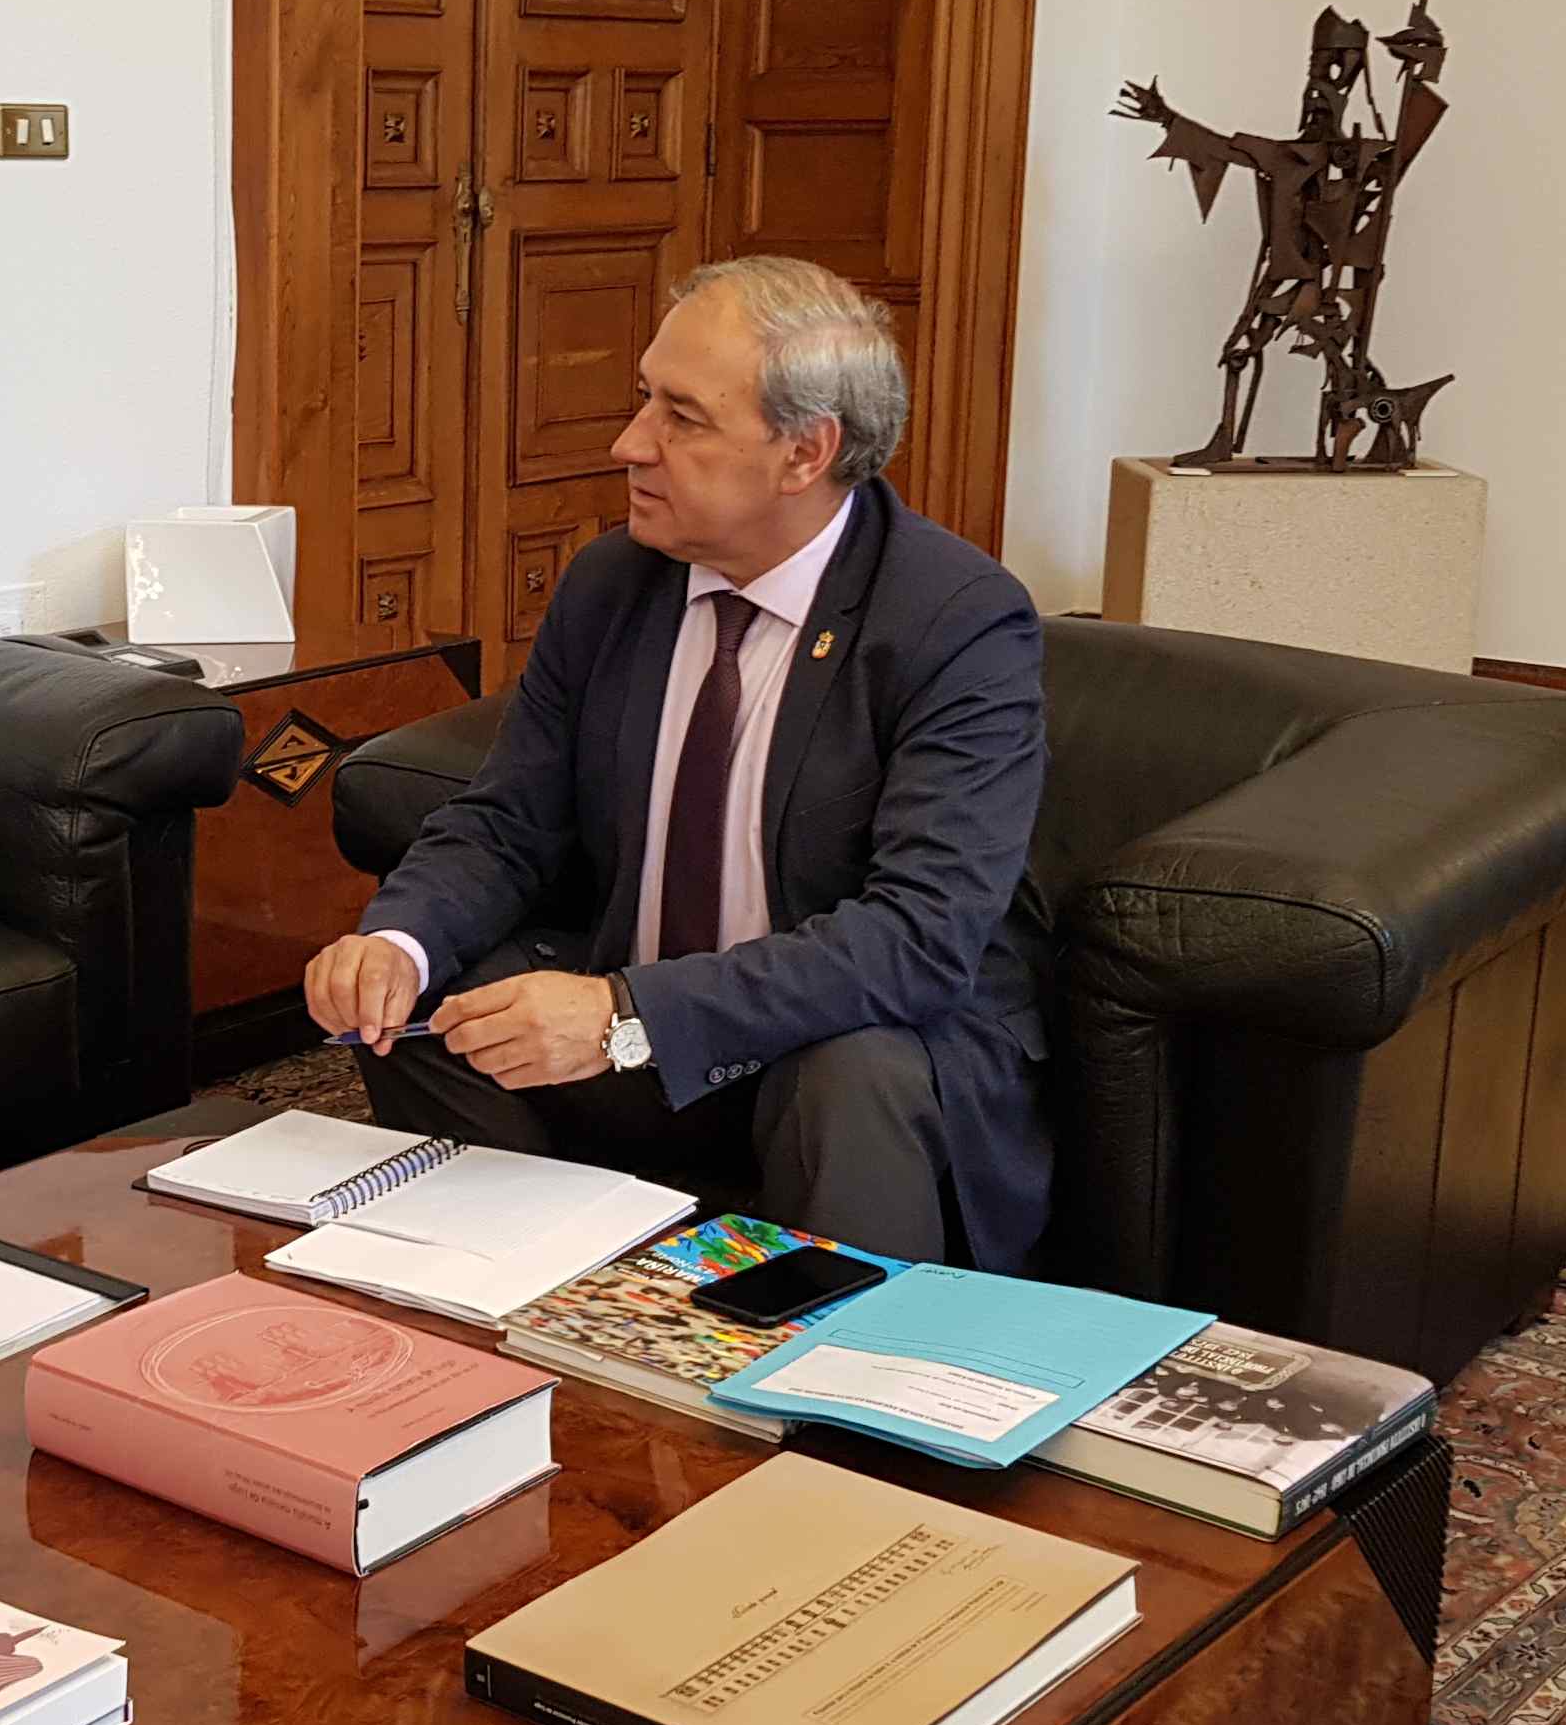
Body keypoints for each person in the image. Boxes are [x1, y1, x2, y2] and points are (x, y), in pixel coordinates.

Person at [302, 256, 1054, 1268]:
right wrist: (398, 944)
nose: (630, 444)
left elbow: (918, 941)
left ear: (805, 453)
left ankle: (843, 1398)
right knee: (439, 1008)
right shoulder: (615, 583)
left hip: (842, 1046)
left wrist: (625, 1015)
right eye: (644, 399)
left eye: (682, 417)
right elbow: (509, 820)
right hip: (644, 1016)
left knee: (852, 1069)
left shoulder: (955, 622)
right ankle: (531, 1299)